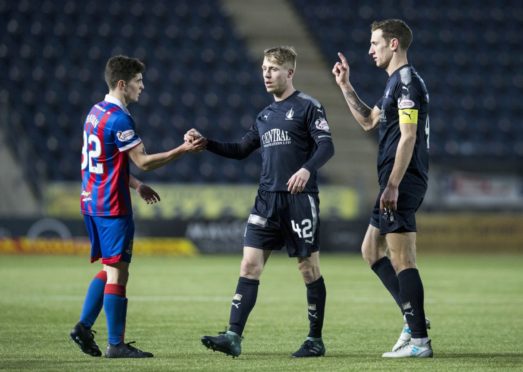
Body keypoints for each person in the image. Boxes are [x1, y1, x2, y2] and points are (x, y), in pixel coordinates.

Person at [185, 46, 334, 358]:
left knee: (308, 268)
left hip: (298, 200)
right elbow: (241, 149)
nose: (267, 73)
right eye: (265, 68)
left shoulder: (308, 106)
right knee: (249, 265)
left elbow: (326, 146)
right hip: (266, 201)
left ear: (290, 73)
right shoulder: (264, 116)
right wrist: (207, 143)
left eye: (274, 69)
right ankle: (232, 336)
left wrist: (307, 169)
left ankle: (314, 340)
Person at [70, 55, 205, 358]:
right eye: (138, 82)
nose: (142, 87)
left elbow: (107, 163)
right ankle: (115, 344)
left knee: (108, 268)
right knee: (119, 273)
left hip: (91, 202)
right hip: (112, 207)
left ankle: (83, 326)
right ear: (122, 84)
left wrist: (136, 185)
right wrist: (183, 149)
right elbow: (143, 161)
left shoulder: (95, 112)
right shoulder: (120, 118)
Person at [332, 19, 432, 358]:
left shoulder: (407, 83)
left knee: (403, 258)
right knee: (371, 250)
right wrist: (345, 85)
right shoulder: (393, 85)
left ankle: (418, 340)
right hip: (394, 181)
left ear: (393, 44)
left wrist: (393, 185)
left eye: (375, 43)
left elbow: (409, 136)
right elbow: (367, 121)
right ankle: (413, 317)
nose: (370, 49)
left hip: (401, 180)